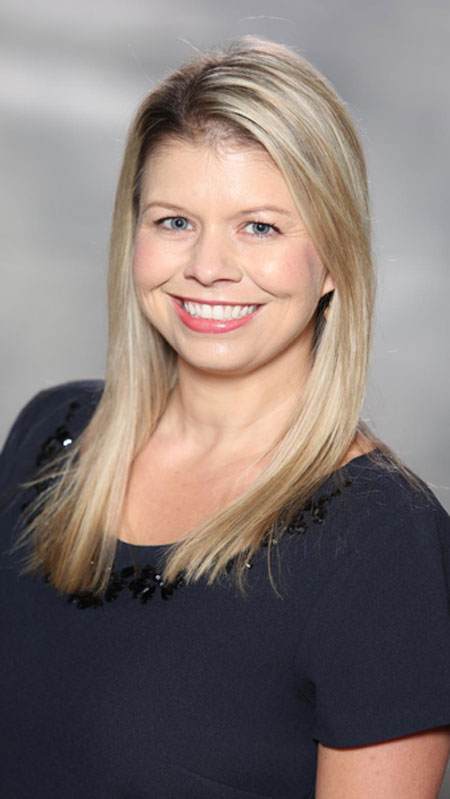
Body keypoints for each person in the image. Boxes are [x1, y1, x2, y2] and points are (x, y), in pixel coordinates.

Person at [0, 36, 449, 799]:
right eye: (175, 221)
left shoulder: (383, 544)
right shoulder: (49, 436)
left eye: (260, 227)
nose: (208, 266)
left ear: (335, 259)